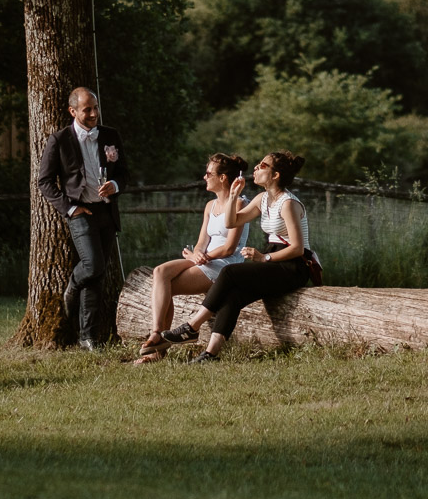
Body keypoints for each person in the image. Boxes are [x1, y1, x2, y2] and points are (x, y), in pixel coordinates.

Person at [150, 149, 313, 362]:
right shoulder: (262, 199)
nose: (256, 167)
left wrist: (264, 258)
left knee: (229, 272)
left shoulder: (288, 203)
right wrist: (234, 195)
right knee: (233, 296)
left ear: (275, 175)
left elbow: (298, 248)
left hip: (295, 265)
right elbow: (231, 222)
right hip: (275, 259)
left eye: (263, 166)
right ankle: (210, 354)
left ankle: (192, 327)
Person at [34, 86, 128, 349]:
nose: (93, 114)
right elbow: (44, 182)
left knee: (97, 277)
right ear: (73, 111)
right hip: (80, 212)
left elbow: (124, 173)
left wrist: (115, 186)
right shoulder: (60, 140)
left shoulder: (110, 136)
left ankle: (87, 337)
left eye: (95, 108)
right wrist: (70, 208)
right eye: (87, 109)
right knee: (94, 265)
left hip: (106, 211)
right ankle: (73, 285)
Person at [133, 153, 249, 364]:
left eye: (208, 173)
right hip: (205, 259)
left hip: (224, 265)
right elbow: (201, 242)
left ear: (223, 178)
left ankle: (158, 348)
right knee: (160, 272)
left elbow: (230, 247)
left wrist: (202, 257)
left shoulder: (240, 204)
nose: (204, 177)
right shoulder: (209, 206)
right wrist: (196, 253)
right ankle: (157, 333)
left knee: (167, 286)